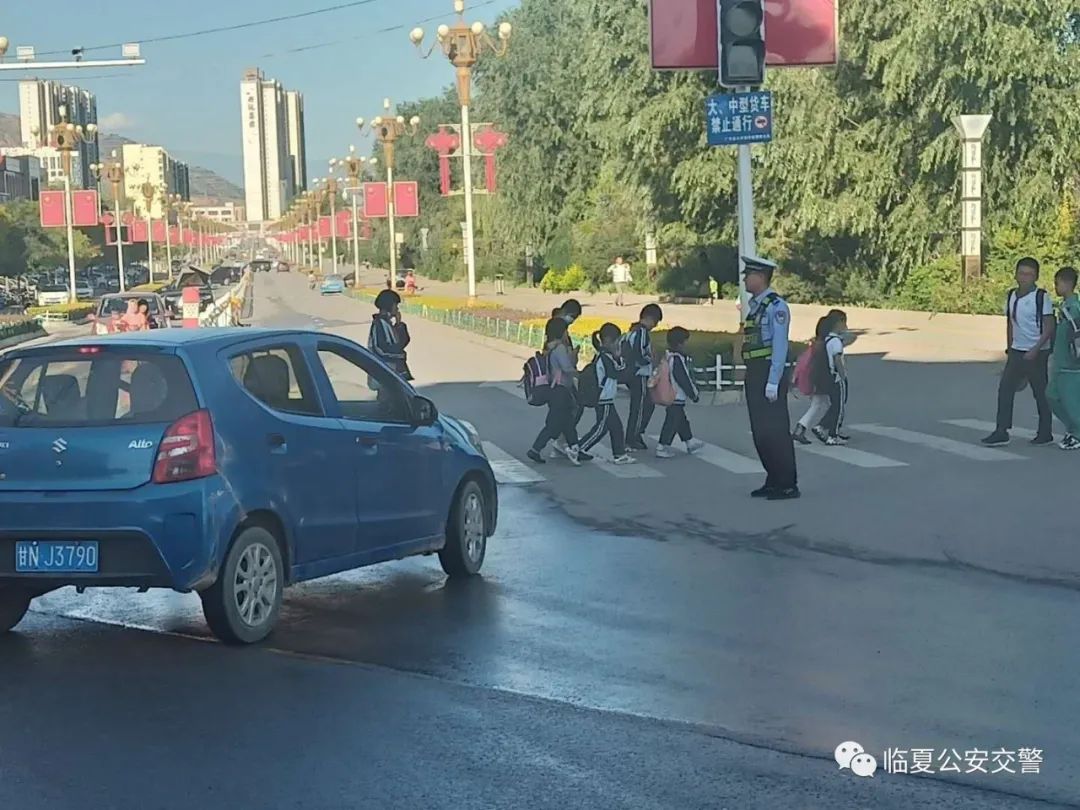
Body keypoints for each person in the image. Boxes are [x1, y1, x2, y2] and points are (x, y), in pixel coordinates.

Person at [742, 256, 799, 500]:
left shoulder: (777, 307)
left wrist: (773, 381)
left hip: (768, 371)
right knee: (760, 431)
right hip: (755, 371)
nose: (745, 278)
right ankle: (773, 478)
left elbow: (779, 346)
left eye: (748, 275)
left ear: (761, 277)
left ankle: (787, 483)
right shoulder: (755, 306)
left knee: (775, 430)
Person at [982, 257, 1055, 446]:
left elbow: (1049, 327)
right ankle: (1001, 430)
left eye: (1029, 274)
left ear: (1036, 276)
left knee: (1040, 392)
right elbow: (1010, 323)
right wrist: (1009, 347)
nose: (1024, 278)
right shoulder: (1012, 295)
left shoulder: (1041, 297)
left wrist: (1035, 349)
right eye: (1021, 273)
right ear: (1015, 274)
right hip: (1016, 351)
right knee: (1005, 389)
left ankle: (1045, 431)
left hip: (1036, 352)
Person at [528, 318, 588, 466]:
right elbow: (567, 368)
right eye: (566, 330)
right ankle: (536, 449)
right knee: (555, 423)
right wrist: (579, 373)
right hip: (560, 390)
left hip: (555, 389)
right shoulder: (559, 348)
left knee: (566, 421)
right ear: (562, 332)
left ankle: (574, 448)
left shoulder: (549, 347)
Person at [579, 323, 634, 465]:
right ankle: (580, 448)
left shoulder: (603, 355)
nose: (618, 345)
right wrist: (622, 357)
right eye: (617, 342)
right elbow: (618, 372)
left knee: (615, 426)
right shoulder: (606, 357)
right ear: (609, 341)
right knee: (602, 427)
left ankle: (619, 454)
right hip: (603, 398)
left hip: (606, 397)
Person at [655, 327, 705, 458]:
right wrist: (693, 394)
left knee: (681, 420)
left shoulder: (668, 356)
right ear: (679, 343)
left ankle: (690, 442)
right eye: (685, 342)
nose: (685, 345)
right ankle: (662, 446)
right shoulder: (677, 359)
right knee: (672, 422)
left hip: (670, 394)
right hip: (676, 395)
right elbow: (683, 379)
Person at [623, 303, 663, 451]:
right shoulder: (642, 332)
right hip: (639, 374)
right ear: (650, 318)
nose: (655, 325)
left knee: (645, 404)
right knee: (640, 407)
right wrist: (651, 359)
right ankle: (632, 437)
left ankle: (636, 433)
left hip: (633, 373)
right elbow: (639, 354)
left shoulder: (632, 331)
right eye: (656, 321)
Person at [1048, 266, 1080, 450]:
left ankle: (1077, 432)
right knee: (1051, 395)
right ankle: (1073, 428)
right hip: (1060, 362)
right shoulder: (1066, 306)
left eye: (1057, 283)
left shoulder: (1074, 308)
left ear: (1067, 284)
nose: (1055, 287)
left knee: (1071, 402)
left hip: (1071, 364)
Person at [792, 315, 832, 445]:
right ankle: (825, 430)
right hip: (819, 381)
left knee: (819, 405)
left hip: (814, 380)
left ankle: (801, 429)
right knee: (830, 406)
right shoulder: (822, 346)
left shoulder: (815, 344)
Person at [817, 310, 850, 445]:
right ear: (838, 323)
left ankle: (822, 426)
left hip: (828, 376)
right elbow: (837, 360)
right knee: (839, 406)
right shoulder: (836, 341)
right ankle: (833, 434)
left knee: (834, 405)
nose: (845, 326)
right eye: (844, 322)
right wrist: (843, 375)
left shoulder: (827, 339)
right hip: (836, 377)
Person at [369, 289, 409, 379]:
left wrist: (399, 324)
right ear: (389, 306)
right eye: (395, 305)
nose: (397, 308)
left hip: (396, 372)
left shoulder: (389, 324)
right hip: (385, 373)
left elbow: (402, 342)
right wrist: (399, 355)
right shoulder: (378, 324)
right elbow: (379, 349)